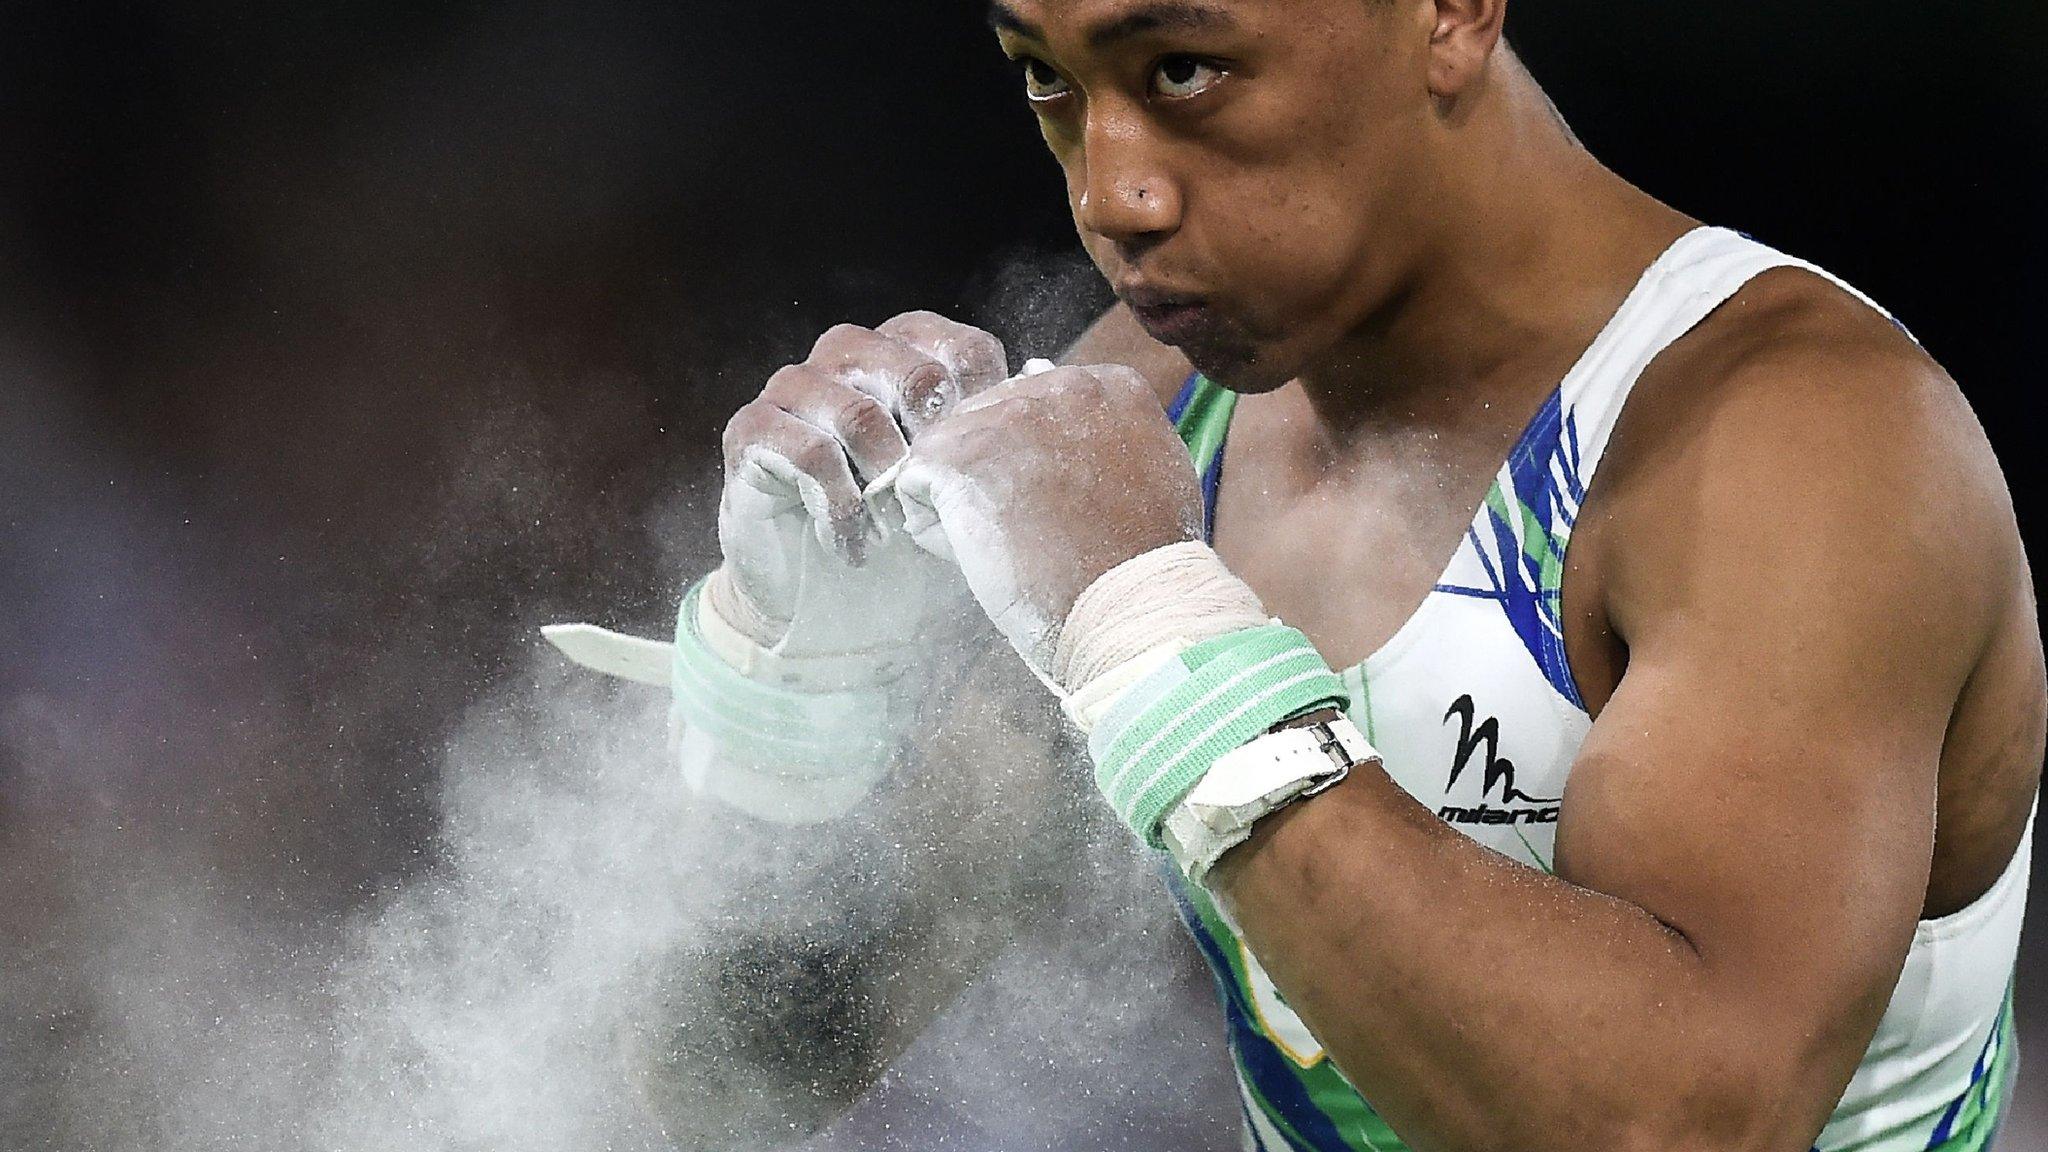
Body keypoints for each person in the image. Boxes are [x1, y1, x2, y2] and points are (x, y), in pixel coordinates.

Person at [555, 1, 2043, 1148]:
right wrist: (788, 689)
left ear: (1452, 12)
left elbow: (1680, 1128)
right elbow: (732, 1078)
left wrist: (1150, 632)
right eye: (1049, 80)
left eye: (1186, 68)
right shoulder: (1156, 415)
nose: (1111, 195)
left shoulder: (1802, 443)